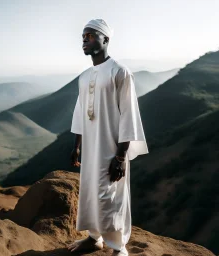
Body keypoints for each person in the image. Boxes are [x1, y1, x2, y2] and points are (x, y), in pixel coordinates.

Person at [68, 18, 149, 256]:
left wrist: (121, 155)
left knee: (110, 196)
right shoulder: (84, 76)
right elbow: (80, 112)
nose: (84, 40)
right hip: (90, 146)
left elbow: (129, 114)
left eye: (90, 35)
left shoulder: (120, 72)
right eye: (83, 36)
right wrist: (77, 146)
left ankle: (118, 247)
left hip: (111, 147)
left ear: (105, 39)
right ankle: (94, 238)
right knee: (91, 191)